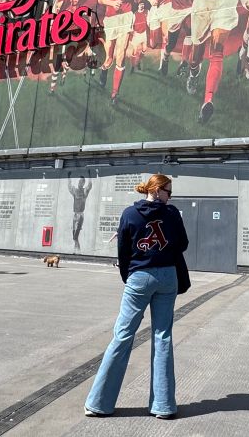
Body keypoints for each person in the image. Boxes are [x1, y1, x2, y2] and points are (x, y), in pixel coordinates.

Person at [84, 174, 188, 419]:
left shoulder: (129, 214)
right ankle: (163, 406)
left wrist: (129, 276)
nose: (170, 197)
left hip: (139, 276)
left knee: (122, 335)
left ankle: (100, 404)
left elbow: (123, 250)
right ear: (158, 190)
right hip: (167, 276)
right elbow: (182, 244)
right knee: (162, 336)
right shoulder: (172, 214)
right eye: (168, 192)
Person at [97, 0, 141, 104]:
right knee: (109, 57)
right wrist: (111, 3)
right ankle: (103, 69)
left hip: (126, 16)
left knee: (121, 55)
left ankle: (115, 94)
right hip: (111, 17)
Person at [68, 173, 93, 252]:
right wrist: (69, 177)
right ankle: (77, 249)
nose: (80, 183)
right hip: (74, 214)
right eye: (79, 181)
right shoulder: (75, 190)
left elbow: (90, 185)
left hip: (80, 215)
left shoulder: (84, 191)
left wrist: (89, 175)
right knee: (74, 235)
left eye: (82, 181)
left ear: (83, 183)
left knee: (76, 235)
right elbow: (69, 187)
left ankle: (77, 250)